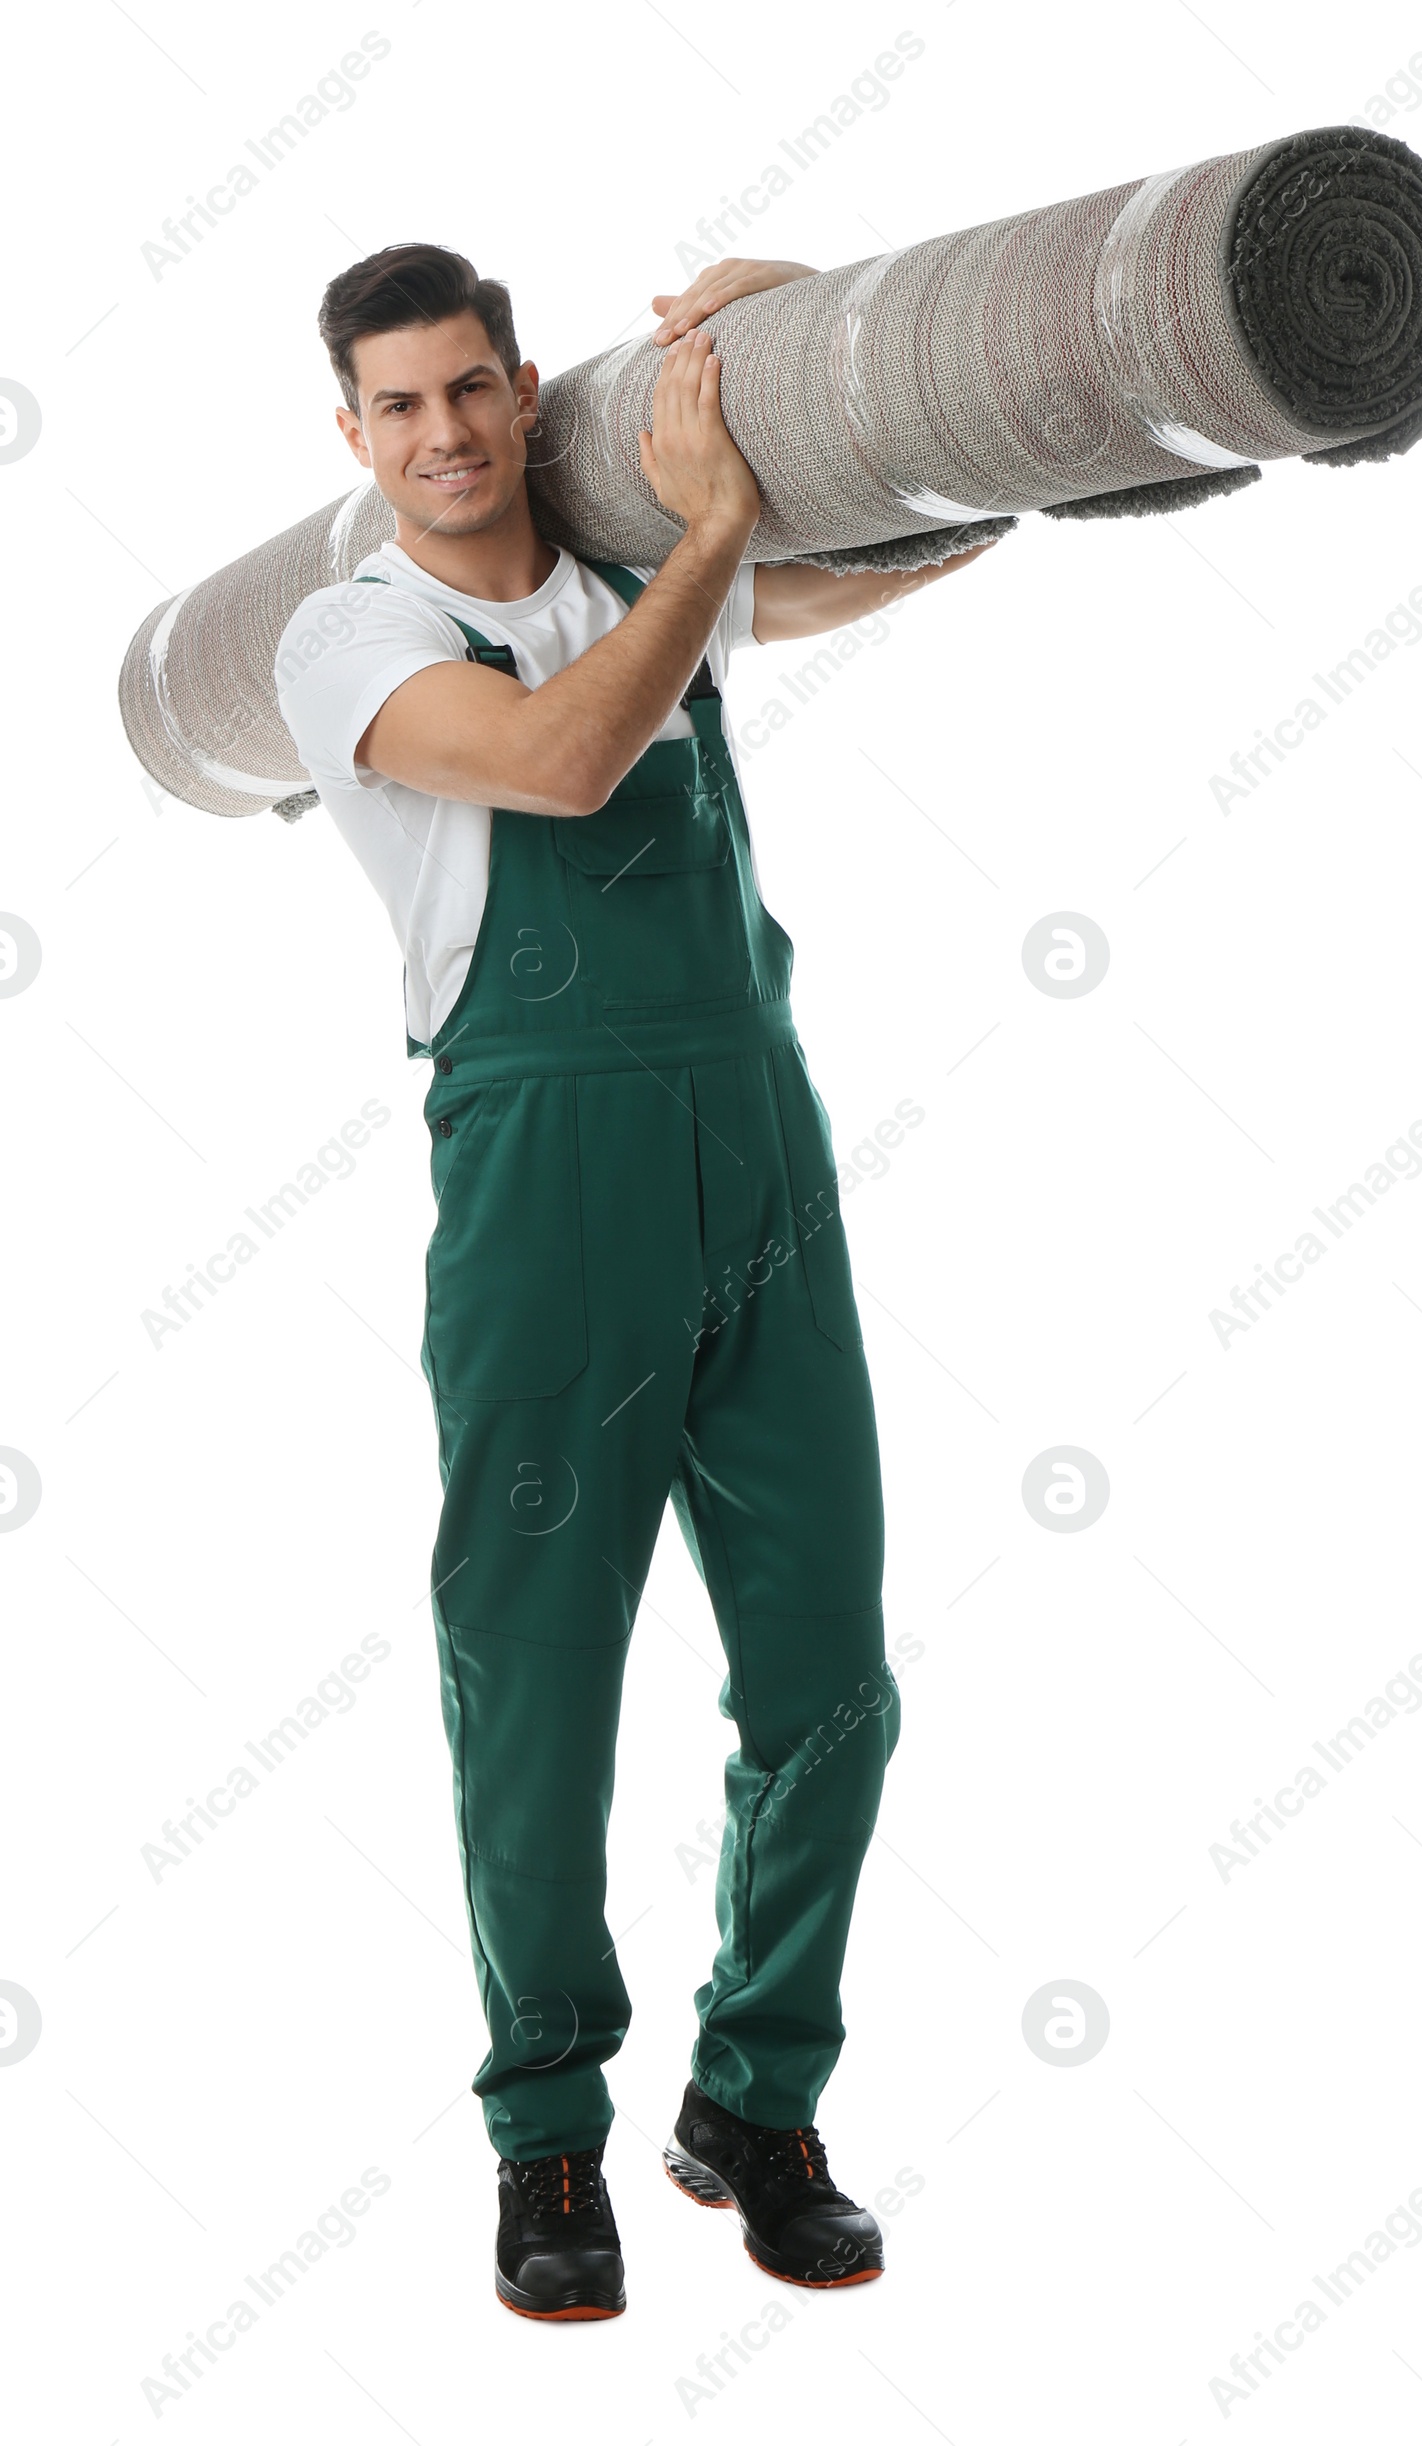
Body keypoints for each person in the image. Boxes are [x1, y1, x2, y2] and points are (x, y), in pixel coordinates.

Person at [274, 243, 994, 2321]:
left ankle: (751, 2096)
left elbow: (929, 538)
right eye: (396, 404)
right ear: (356, 433)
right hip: (542, 1193)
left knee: (828, 1678)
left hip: (759, 1158)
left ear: (518, 386)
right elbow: (571, 755)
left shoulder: (634, 571)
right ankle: (545, 2136)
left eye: (469, 386)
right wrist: (718, 534)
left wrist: (850, 338)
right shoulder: (355, 635)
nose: (443, 432)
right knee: (538, 1694)